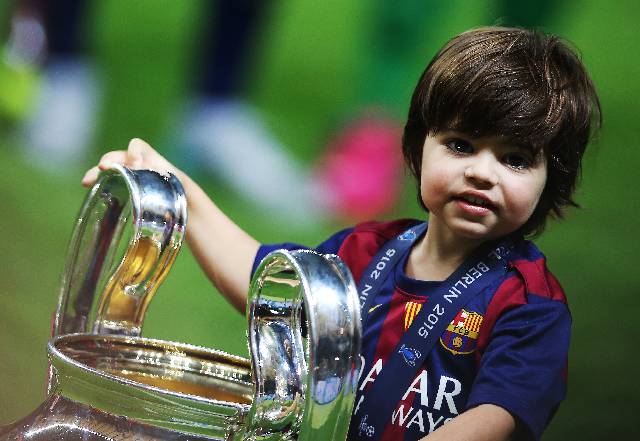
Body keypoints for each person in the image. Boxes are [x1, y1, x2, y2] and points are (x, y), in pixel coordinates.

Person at [82, 26, 601, 441]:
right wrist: (177, 187)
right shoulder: (365, 250)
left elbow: (492, 420)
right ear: (419, 148)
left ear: (550, 179)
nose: (482, 172)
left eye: (514, 159)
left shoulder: (529, 305)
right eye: (462, 145)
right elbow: (262, 284)